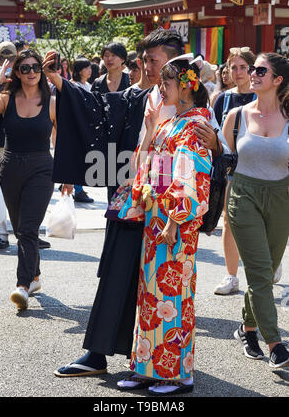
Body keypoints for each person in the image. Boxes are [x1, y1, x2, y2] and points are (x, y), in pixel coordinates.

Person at [43, 29, 227, 378]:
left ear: (177, 63)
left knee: (160, 288)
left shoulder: (193, 108)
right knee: (117, 275)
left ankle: (156, 363)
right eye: (145, 60)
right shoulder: (137, 96)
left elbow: (211, 155)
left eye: (154, 61)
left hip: (166, 203)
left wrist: (216, 146)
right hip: (136, 196)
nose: (147, 66)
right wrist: (60, 82)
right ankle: (100, 354)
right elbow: (94, 108)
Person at [117, 54, 211, 395]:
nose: (161, 86)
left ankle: (175, 373)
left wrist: (173, 219)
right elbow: (146, 165)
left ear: (186, 86)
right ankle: (147, 366)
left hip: (174, 221)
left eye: (167, 82)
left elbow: (193, 174)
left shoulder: (196, 123)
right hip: (157, 216)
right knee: (152, 294)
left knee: (172, 293)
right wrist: (152, 125)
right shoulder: (172, 121)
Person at [223, 52, 289, 368]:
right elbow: (222, 159)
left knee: (264, 274)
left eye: (260, 70)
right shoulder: (236, 116)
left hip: (281, 198)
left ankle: (247, 329)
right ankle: (275, 343)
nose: (253, 73)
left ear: (277, 80)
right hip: (243, 195)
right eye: (252, 69)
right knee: (260, 271)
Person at [0, 49, 57, 310]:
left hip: (42, 168)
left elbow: (59, 141)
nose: (31, 72)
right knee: (20, 230)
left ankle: (22, 285)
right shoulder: (7, 98)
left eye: (35, 67)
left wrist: (67, 177)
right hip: (10, 168)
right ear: (17, 72)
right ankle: (35, 275)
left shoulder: (51, 101)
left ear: (41, 70)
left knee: (28, 229)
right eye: (24, 68)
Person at [213, 47, 257, 295]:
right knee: (229, 221)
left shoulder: (266, 97)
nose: (238, 72)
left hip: (260, 167)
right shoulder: (222, 99)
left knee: (261, 220)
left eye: (243, 67)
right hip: (231, 166)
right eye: (234, 67)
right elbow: (213, 130)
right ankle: (231, 275)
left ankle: (265, 265)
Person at [0, 41, 17, 250]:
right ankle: (1, 234)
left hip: (2, 142)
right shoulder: (21, 80)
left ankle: (1, 234)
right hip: (4, 142)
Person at [70, 57, 94, 203]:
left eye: (90, 67)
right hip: (75, 127)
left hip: (86, 127)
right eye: (86, 67)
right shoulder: (74, 86)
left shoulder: (88, 85)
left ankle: (70, 184)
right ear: (79, 70)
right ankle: (78, 190)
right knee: (79, 159)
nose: (90, 70)